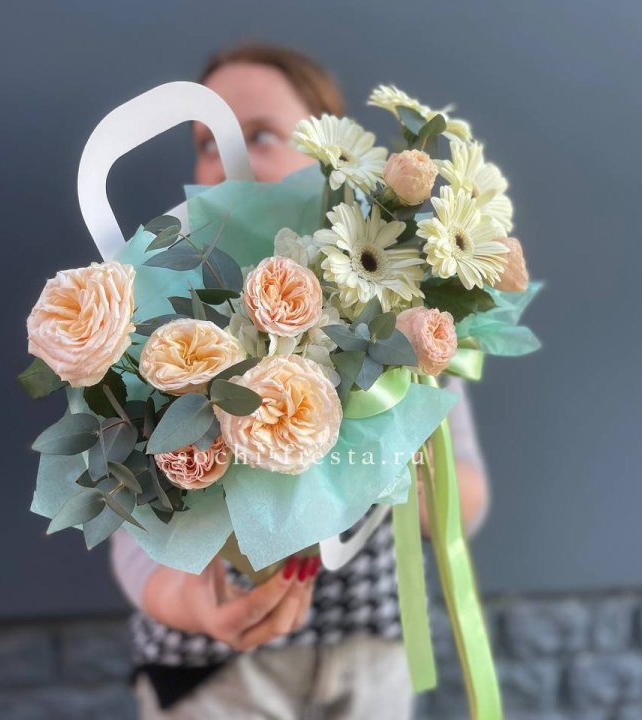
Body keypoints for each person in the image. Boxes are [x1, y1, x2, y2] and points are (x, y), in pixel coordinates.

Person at [111, 42, 489, 720]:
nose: (226, 157)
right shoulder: (168, 321)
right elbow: (130, 524)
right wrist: (192, 604)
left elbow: (466, 496)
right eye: (205, 142)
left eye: (259, 134)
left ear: (331, 155)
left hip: (367, 653)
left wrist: (382, 444)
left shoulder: (400, 310)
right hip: (214, 671)